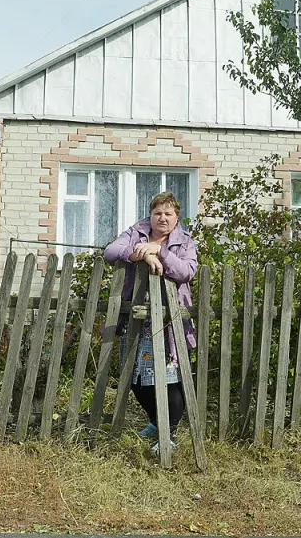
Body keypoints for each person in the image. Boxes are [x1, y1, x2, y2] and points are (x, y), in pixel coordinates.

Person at [103, 190, 197, 452]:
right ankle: (157, 422)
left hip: (170, 320)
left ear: (177, 217)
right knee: (135, 378)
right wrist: (140, 253)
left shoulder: (185, 241)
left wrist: (160, 251)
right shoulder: (137, 232)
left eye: (168, 213)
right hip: (137, 317)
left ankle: (169, 434)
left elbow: (187, 271)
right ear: (150, 215)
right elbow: (110, 251)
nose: (162, 218)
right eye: (157, 213)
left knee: (170, 378)